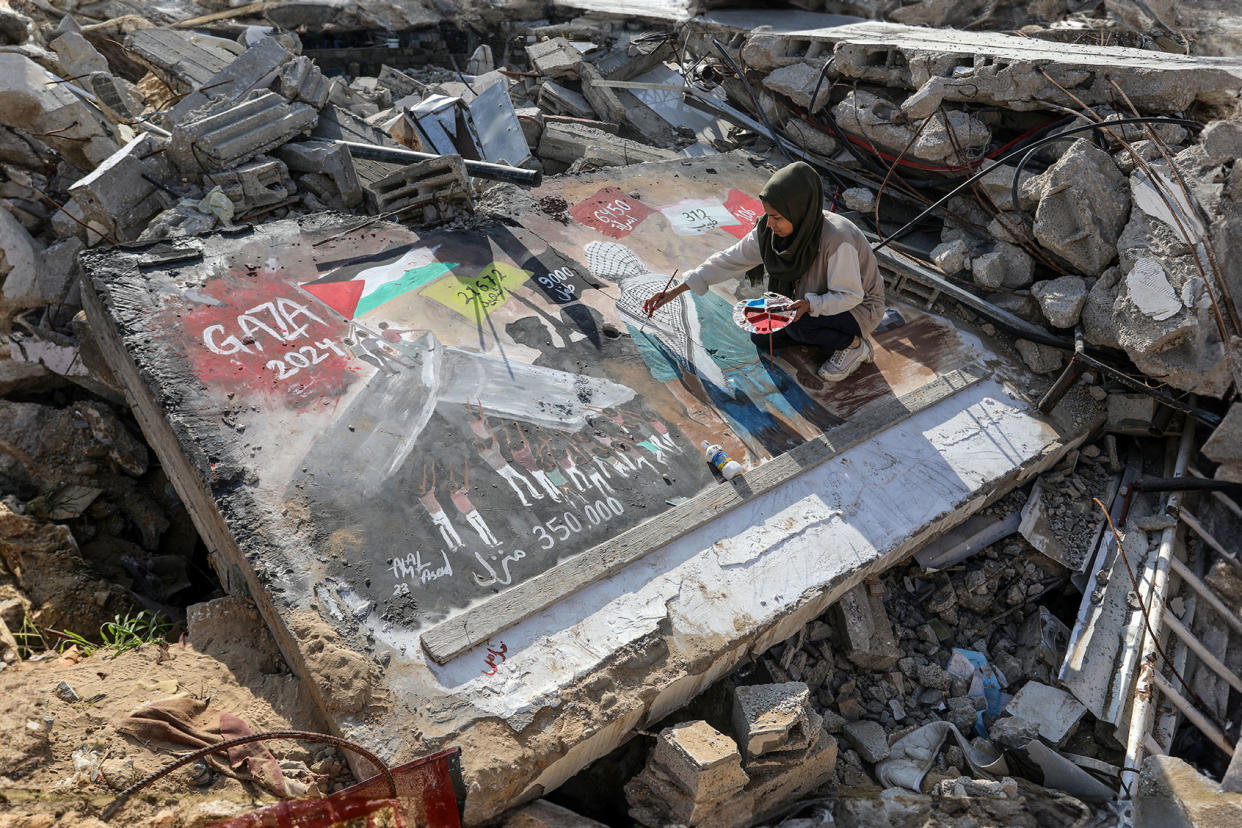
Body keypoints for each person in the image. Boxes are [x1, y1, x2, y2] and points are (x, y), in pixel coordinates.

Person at [643, 161, 886, 382]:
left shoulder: (837, 239)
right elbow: (730, 259)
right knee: (761, 336)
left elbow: (851, 295)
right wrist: (677, 290)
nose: (770, 224)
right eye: (768, 215)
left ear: (798, 211)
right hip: (808, 297)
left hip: (858, 308)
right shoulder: (771, 231)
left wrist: (811, 306)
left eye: (777, 217)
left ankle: (854, 345)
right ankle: (816, 331)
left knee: (799, 326)